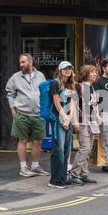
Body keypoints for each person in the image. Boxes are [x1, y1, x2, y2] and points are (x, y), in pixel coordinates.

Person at [5, 53, 47, 178]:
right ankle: (23, 167)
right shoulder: (16, 77)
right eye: (20, 62)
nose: (21, 65)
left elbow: (44, 92)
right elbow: (10, 93)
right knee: (22, 140)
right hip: (22, 114)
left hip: (38, 114)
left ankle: (35, 166)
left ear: (30, 62)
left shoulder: (40, 75)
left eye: (23, 62)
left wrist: (44, 109)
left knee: (38, 141)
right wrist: (13, 111)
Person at [48, 61, 77, 189]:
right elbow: (56, 102)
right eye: (65, 68)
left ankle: (63, 177)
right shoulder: (55, 83)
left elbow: (72, 102)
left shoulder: (71, 84)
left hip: (67, 120)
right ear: (60, 70)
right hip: (58, 120)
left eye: (70, 68)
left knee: (66, 150)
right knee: (58, 150)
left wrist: (69, 118)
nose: (68, 70)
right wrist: (64, 117)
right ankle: (55, 180)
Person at [69, 64, 98, 185]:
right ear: (85, 74)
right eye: (92, 72)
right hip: (82, 122)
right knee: (85, 148)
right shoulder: (78, 87)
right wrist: (75, 122)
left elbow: (93, 105)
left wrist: (97, 117)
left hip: (91, 122)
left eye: (96, 72)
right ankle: (74, 173)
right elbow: (74, 106)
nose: (95, 74)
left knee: (89, 149)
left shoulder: (91, 88)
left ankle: (84, 174)